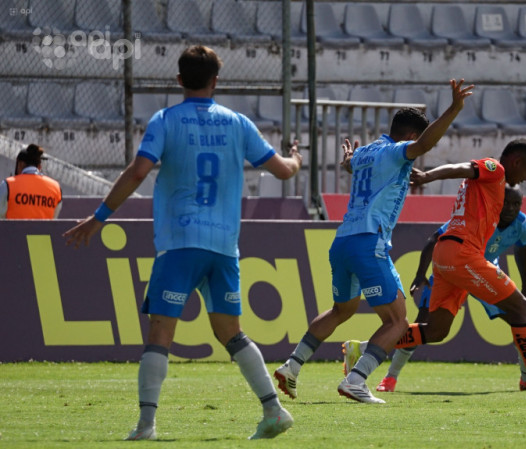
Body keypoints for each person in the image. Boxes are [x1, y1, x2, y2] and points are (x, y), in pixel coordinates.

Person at [63, 45, 302, 441]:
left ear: (178, 81)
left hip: (180, 243)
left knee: (161, 332)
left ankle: (146, 425)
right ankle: (274, 409)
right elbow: (282, 170)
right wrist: (294, 158)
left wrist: (99, 217)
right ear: (216, 81)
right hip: (224, 246)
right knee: (231, 332)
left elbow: (139, 171)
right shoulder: (237, 122)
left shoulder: (166, 120)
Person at [273, 79, 475, 404]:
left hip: (342, 241)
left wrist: (348, 163)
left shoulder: (366, 152)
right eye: (416, 141)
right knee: (397, 320)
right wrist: (453, 109)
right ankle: (357, 379)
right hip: (369, 241)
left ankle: (291, 366)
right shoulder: (398, 151)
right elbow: (422, 146)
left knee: (342, 310)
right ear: (410, 135)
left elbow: (352, 164)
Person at [346, 138, 526, 403]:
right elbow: (463, 166)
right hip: (462, 254)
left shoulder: (494, 186)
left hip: (447, 255)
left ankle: (361, 349)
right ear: (516, 162)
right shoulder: (496, 170)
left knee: (435, 331)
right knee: (521, 309)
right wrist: (428, 176)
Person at [374, 185, 526, 393]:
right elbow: (435, 238)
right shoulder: (477, 216)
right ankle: (390, 378)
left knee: (520, 317)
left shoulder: (523, 225)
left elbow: (522, 252)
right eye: (506, 202)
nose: (511, 208)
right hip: (454, 268)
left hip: (485, 273)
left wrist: (525, 285)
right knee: (426, 324)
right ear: (497, 201)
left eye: (517, 204)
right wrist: (420, 274)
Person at [0, 144, 62, 219]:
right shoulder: (56, 188)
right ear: (39, 167)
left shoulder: (7, 185)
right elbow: (54, 218)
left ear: (20, 164)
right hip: (45, 231)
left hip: (13, 231)